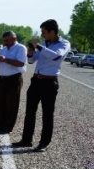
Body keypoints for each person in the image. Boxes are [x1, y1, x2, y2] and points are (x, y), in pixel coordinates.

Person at [12, 19, 71, 152]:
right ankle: (26, 140)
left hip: (49, 82)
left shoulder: (64, 43)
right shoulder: (44, 44)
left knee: (47, 114)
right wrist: (30, 52)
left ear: (52, 32)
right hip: (36, 81)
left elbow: (56, 56)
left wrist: (38, 46)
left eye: (44, 32)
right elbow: (32, 60)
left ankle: (44, 143)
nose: (42, 34)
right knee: (30, 112)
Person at [0, 31, 27, 133]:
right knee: (0, 103)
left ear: (14, 39)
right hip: (2, 79)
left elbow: (21, 63)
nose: (5, 42)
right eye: (4, 40)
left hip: (13, 79)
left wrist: (6, 59)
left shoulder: (21, 48)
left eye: (7, 40)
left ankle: (8, 127)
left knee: (11, 104)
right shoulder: (4, 49)